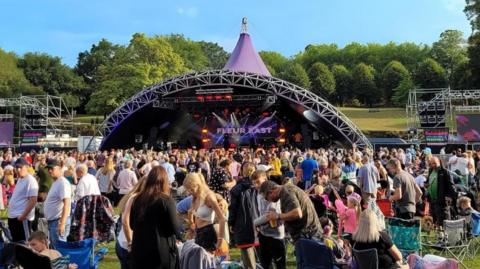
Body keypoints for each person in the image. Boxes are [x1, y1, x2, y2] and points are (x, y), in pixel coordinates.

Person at [129, 166, 180, 269]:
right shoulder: (166, 201)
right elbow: (176, 228)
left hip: (140, 248)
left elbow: (132, 224)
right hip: (160, 250)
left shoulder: (138, 199)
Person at [183, 173, 226, 253]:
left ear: (198, 185)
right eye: (188, 190)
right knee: (199, 262)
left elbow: (222, 219)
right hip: (198, 233)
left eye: (192, 189)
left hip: (208, 234)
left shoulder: (209, 197)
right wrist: (191, 224)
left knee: (207, 263)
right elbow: (190, 212)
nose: (190, 192)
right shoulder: (195, 197)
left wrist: (220, 239)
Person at [251, 171, 286, 269]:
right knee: (265, 263)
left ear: (265, 180)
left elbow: (269, 215)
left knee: (280, 264)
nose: (256, 185)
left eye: (258, 182)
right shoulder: (258, 194)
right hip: (264, 234)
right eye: (254, 183)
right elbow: (261, 212)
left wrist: (254, 223)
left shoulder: (272, 193)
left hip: (276, 236)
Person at [228, 162, 258, 269]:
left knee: (248, 255)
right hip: (257, 222)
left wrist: (231, 223)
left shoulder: (238, 189)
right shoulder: (258, 187)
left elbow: (232, 208)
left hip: (245, 223)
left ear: (241, 172)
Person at [8, 158, 38, 242]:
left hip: (21, 219)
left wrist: (23, 216)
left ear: (26, 167)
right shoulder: (20, 179)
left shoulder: (30, 180)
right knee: (16, 243)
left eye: (20, 167)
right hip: (14, 217)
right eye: (16, 167)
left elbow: (33, 200)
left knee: (25, 244)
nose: (18, 169)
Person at [44, 158, 72, 247]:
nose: (49, 171)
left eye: (52, 168)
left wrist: (62, 223)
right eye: (48, 169)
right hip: (53, 221)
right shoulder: (56, 182)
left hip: (58, 221)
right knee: (56, 249)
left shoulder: (63, 183)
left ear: (59, 168)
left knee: (60, 250)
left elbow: (67, 203)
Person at [425, 156, 457, 226]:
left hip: (442, 202)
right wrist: (426, 184)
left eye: (434, 163)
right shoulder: (431, 171)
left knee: (444, 222)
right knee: (435, 221)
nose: (433, 165)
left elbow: (452, 187)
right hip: (432, 201)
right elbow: (428, 182)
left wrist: (449, 199)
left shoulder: (445, 172)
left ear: (439, 162)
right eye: (431, 164)